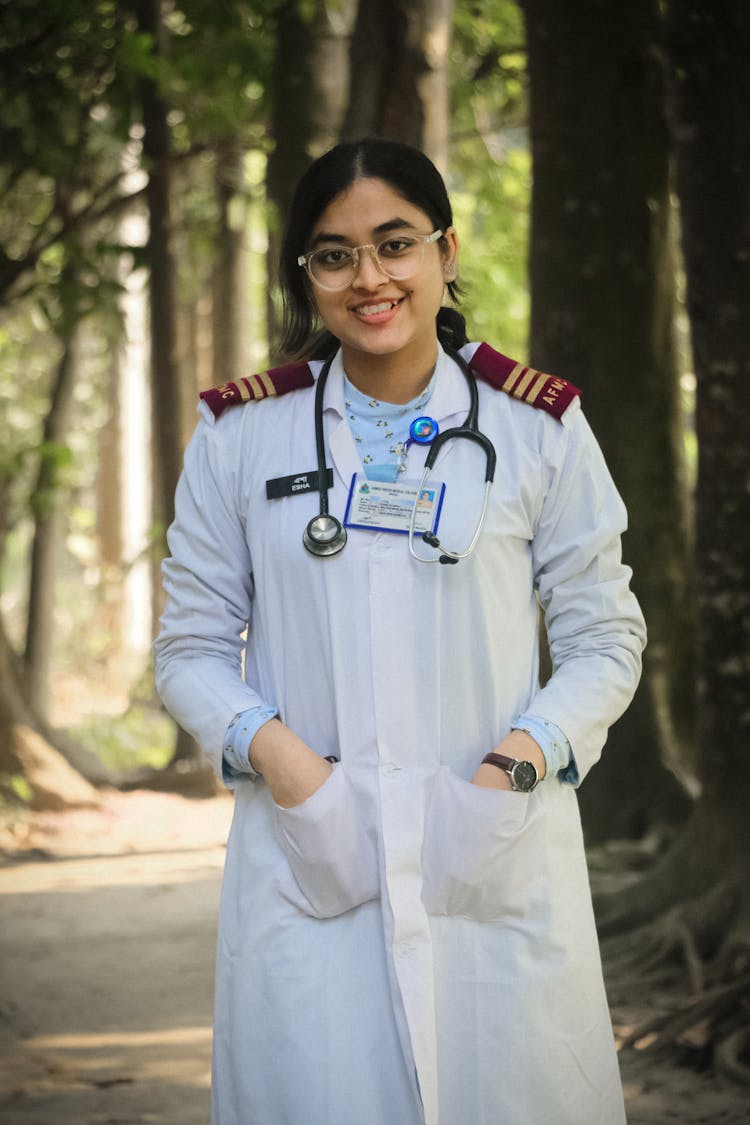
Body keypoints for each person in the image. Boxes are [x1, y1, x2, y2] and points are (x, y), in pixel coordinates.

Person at [153, 138, 646, 1125]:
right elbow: (190, 650)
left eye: (394, 244)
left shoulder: (537, 427)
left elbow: (604, 638)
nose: (369, 278)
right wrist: (286, 764)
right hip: (309, 852)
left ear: (446, 251)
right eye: (334, 255)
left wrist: (516, 764)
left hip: (493, 842)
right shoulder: (242, 435)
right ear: (307, 275)